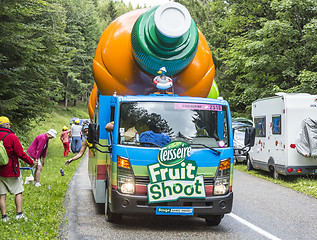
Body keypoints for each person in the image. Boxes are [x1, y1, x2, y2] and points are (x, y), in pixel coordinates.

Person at [0, 116, 36, 221]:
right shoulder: (12, 137)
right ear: (7, 125)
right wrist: (31, 162)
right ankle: (19, 214)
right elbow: (20, 153)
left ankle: (4, 217)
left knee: (1, 194)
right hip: (11, 170)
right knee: (18, 191)